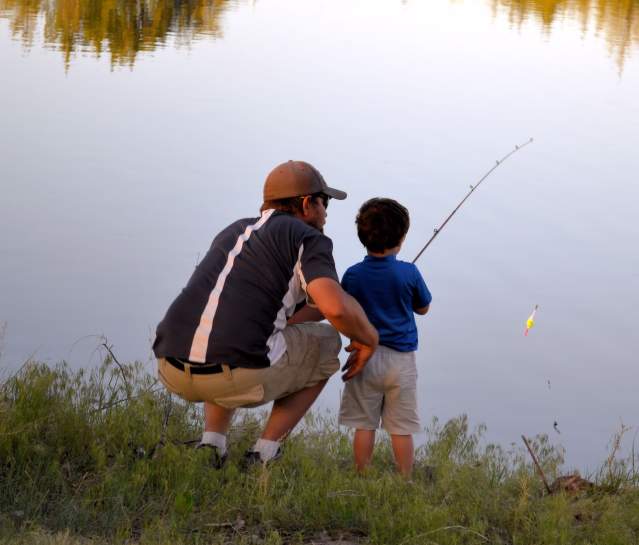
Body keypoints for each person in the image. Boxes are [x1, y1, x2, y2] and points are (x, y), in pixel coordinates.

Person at [153, 160, 378, 467]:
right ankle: (264, 453)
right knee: (327, 342)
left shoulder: (234, 230)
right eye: (324, 203)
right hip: (235, 377)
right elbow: (335, 307)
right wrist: (368, 338)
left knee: (221, 328)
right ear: (306, 204)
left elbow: (296, 309)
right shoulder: (309, 238)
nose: (326, 212)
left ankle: (212, 445)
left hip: (171, 367)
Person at [338, 198, 432, 477]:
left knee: (364, 424)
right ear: (401, 239)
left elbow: (346, 310)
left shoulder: (353, 275)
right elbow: (423, 308)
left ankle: (362, 474)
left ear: (362, 237)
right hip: (400, 362)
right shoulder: (409, 272)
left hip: (363, 358)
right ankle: (405, 478)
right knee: (401, 428)